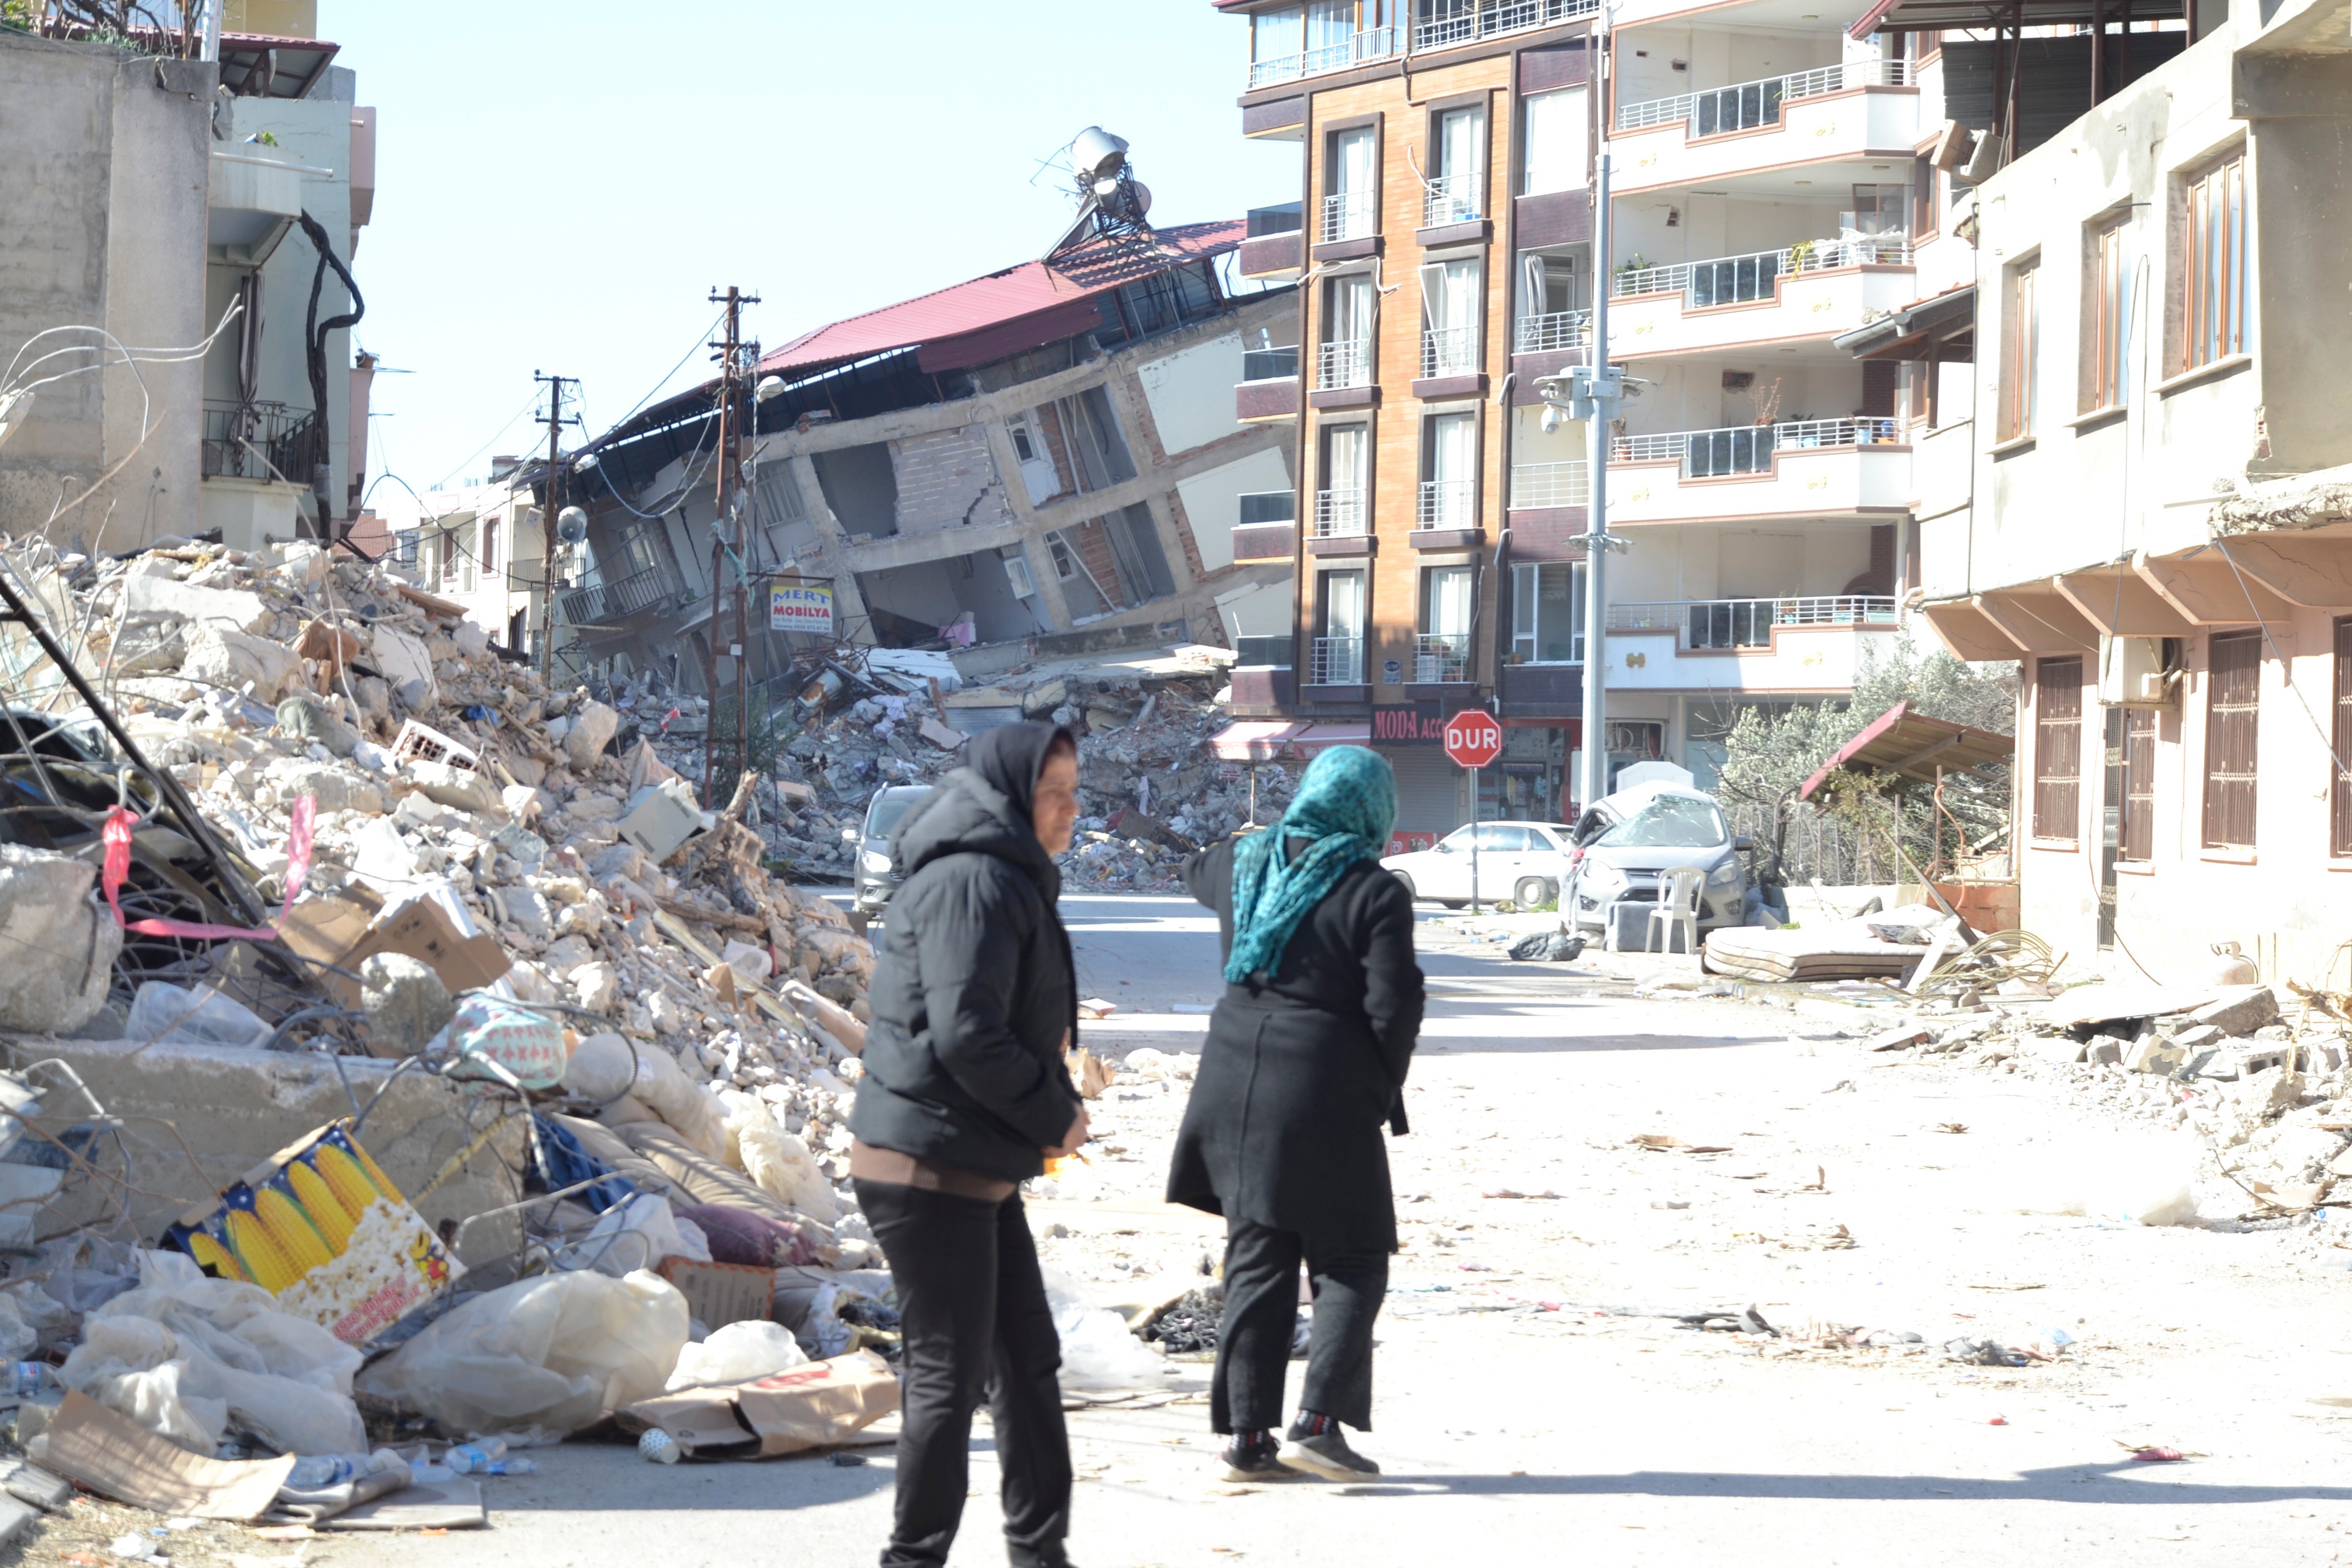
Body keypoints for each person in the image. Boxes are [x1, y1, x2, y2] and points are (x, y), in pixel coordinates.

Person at [847, 722, 1090, 1568]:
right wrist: (1052, 1112)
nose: (1069, 808)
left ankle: (1040, 1550)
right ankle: (912, 1560)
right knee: (947, 1377)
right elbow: (966, 1034)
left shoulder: (1007, 873)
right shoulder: (972, 880)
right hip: (926, 1167)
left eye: (1072, 789)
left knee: (1027, 1362)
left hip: (974, 1164)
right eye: (1054, 791)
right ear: (1013, 795)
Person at [1166, 744, 1424, 1482]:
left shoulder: (1243, 866)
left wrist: (1250, 838)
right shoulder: (1374, 890)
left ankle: (1248, 1439)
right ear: (1374, 811)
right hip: (1320, 1085)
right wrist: (1377, 1088)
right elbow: (1395, 1004)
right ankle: (1318, 1423)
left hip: (1230, 1081)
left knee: (1259, 1255)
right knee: (1353, 1256)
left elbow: (1197, 867)